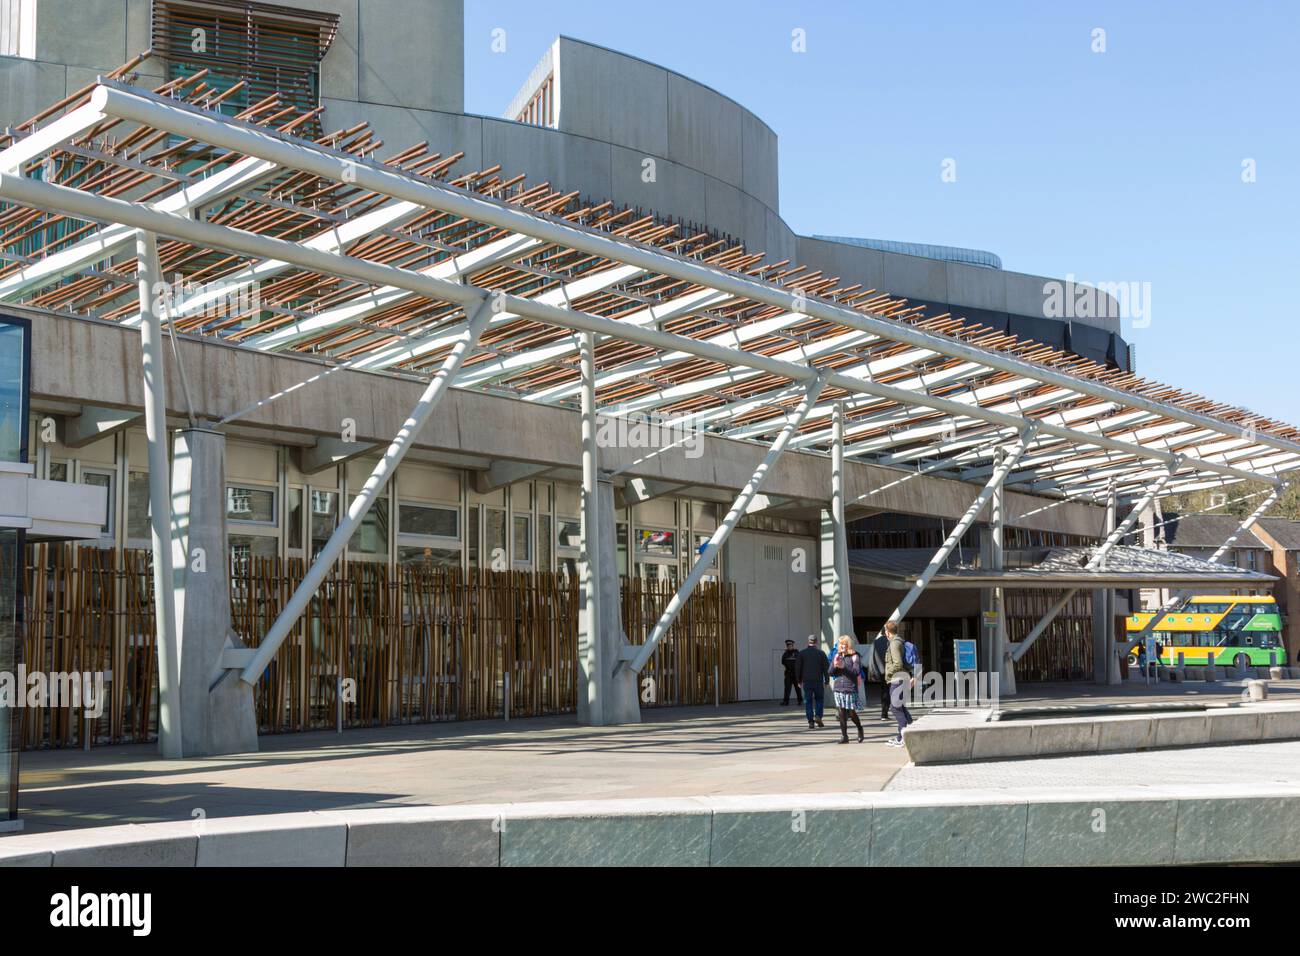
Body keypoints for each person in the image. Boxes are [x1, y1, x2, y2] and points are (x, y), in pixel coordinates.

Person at [883, 620, 915, 748]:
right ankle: (907, 733)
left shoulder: (894, 644)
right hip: (900, 678)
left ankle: (903, 736)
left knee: (895, 707)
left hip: (897, 679)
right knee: (900, 707)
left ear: (887, 632)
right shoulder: (898, 642)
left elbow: (897, 664)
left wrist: (888, 673)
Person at [830, 635, 865, 743]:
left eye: (844, 644)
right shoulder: (837, 655)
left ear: (848, 645)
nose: (842, 646)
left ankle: (860, 728)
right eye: (840, 644)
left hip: (850, 687)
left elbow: (856, 672)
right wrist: (835, 665)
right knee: (841, 712)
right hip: (838, 688)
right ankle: (844, 736)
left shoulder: (855, 656)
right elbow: (830, 672)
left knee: (851, 712)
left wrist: (843, 667)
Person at [794, 636, 828, 729]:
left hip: (807, 681)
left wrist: (798, 680)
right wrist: (827, 681)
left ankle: (810, 721)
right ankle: (818, 716)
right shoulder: (821, 653)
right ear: (816, 642)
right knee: (819, 699)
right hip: (818, 681)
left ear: (808, 641)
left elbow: (798, 668)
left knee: (808, 701)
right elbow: (825, 668)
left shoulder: (802, 653)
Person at [867, 629, 891, 720]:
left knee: (884, 691)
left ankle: (884, 713)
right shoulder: (891, 641)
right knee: (892, 691)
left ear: (881, 633)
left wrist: (873, 670)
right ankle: (888, 712)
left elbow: (872, 658)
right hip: (891, 670)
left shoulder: (875, 642)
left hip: (881, 670)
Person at [780, 639, 803, 706]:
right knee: (787, 688)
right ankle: (786, 701)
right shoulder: (785, 654)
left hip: (796, 674)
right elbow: (783, 662)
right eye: (788, 646)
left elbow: (800, 663)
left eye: (790, 646)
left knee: (797, 688)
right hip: (788, 674)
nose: (789, 647)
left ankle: (800, 701)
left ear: (793, 646)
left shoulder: (797, 653)